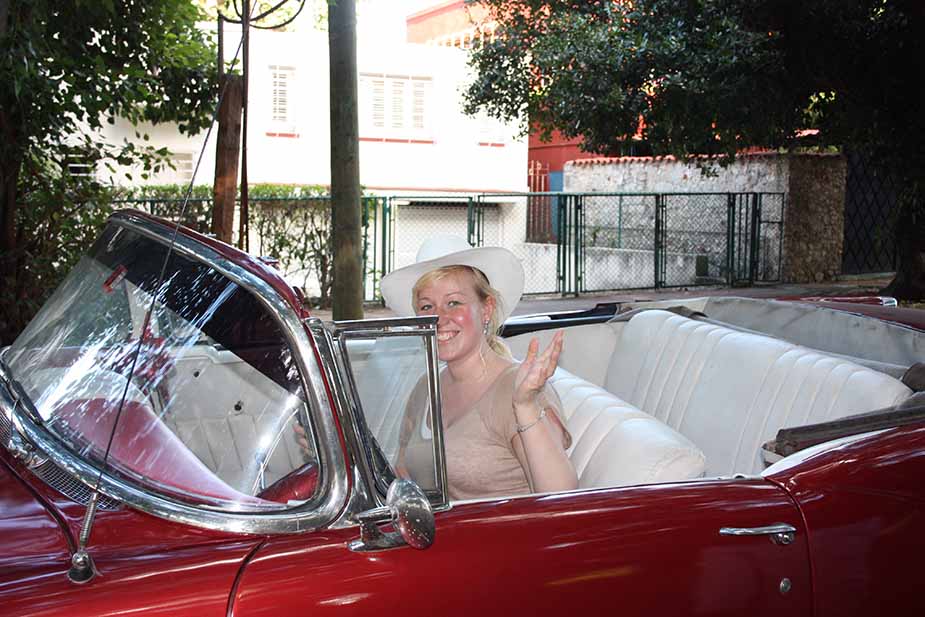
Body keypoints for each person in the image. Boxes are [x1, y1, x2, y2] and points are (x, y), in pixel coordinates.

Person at [381, 235, 578, 500]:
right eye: (427, 306)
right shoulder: (424, 389)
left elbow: (561, 498)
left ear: (486, 309)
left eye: (454, 303)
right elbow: (404, 477)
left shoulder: (518, 388)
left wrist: (525, 405)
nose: (438, 318)